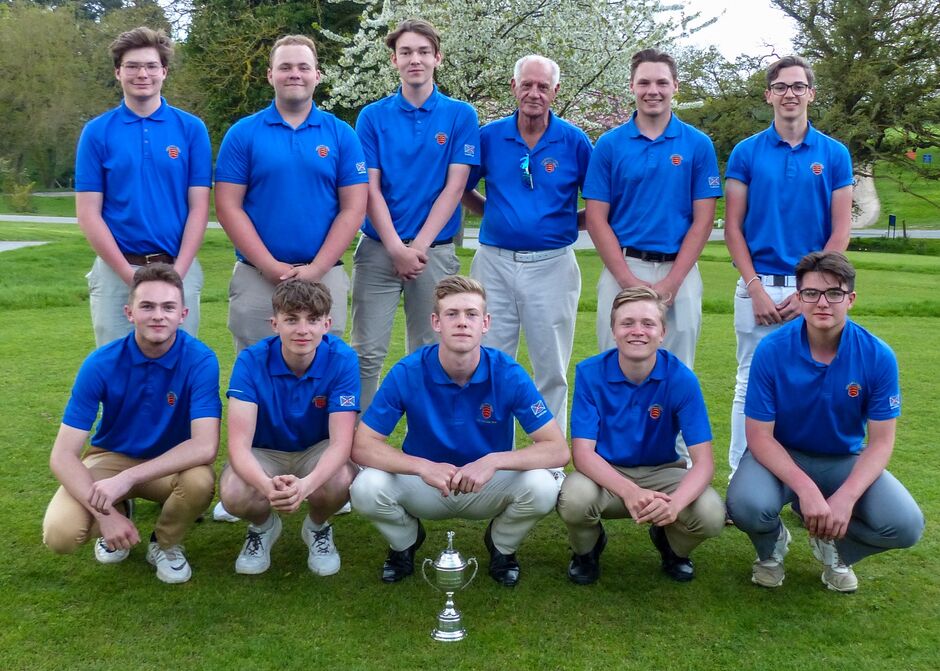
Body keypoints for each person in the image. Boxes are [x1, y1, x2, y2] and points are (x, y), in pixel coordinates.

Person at [350, 276, 568, 587]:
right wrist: (422, 467)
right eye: (452, 314)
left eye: (471, 314)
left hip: (486, 483)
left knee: (543, 486)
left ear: (485, 323)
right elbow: (363, 445)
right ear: (436, 322)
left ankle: (502, 546)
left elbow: (557, 449)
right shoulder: (408, 371)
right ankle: (405, 542)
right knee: (365, 487)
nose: (462, 322)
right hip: (426, 483)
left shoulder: (508, 373)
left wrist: (493, 461)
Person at [727, 252, 923, 593]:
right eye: (811, 293)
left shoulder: (878, 355)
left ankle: (836, 548)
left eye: (834, 293)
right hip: (782, 456)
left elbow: (881, 443)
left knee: (905, 525)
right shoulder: (772, 349)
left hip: (843, 459)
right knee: (746, 505)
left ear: (851, 299)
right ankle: (771, 549)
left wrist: (845, 498)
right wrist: (806, 491)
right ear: (799, 297)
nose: (822, 302)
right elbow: (759, 436)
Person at [42, 264, 220, 584]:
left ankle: (164, 543)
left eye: (168, 307)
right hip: (110, 458)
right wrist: (106, 516)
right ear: (129, 312)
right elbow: (62, 456)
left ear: (183, 314)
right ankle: (118, 511)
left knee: (199, 481)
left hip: (168, 464)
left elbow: (205, 446)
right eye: (147, 306)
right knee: (60, 535)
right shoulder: (100, 363)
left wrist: (127, 479)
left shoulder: (201, 360)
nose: (158, 316)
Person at [724, 56, 853, 476]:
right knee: (749, 384)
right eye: (781, 87)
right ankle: (741, 479)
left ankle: (809, 480)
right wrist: (755, 287)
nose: (790, 94)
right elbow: (733, 229)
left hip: (814, 292)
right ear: (769, 95)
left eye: (798, 86)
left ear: (811, 94)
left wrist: (811, 291)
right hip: (758, 286)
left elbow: (840, 231)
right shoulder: (746, 152)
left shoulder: (834, 154)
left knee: (817, 382)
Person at [352, 19, 480, 411]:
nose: (415, 60)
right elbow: (369, 188)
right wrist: (396, 248)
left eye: (424, 52)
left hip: (433, 253)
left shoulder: (460, 115)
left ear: (437, 58)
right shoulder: (372, 117)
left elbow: (455, 188)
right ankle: (359, 442)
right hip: (379, 250)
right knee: (366, 353)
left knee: (431, 353)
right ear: (394, 60)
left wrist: (417, 248)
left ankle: (426, 440)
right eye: (406, 52)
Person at [462, 54, 592, 437]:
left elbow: (600, 203)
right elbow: (460, 187)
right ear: (513, 87)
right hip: (494, 263)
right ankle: (490, 450)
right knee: (489, 360)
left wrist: (564, 224)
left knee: (551, 366)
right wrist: (493, 213)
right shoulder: (489, 137)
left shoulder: (574, 141)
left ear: (556, 91)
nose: (534, 93)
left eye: (543, 86)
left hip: (553, 265)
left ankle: (548, 458)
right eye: (527, 85)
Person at [557, 287, 724, 585]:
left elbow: (704, 463)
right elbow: (582, 454)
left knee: (711, 514)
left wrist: (674, 505)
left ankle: (671, 545)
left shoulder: (682, 378)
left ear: (663, 332)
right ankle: (587, 550)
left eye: (648, 323)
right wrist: (629, 491)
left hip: (663, 472)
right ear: (613, 330)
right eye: (627, 323)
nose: (638, 331)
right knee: (575, 498)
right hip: (606, 474)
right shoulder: (590, 373)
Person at [215, 34, 368, 353]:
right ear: (270, 75)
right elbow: (228, 207)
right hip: (257, 278)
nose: (294, 74)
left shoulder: (342, 134)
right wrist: (269, 265)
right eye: (285, 67)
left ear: (317, 75)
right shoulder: (243, 134)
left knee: (323, 370)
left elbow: (353, 208)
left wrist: (317, 269)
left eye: (303, 67)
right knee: (256, 370)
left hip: (325, 275)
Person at [583, 48, 721, 366]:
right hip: (623, 266)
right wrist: (627, 279)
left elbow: (703, 220)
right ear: (632, 86)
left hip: (680, 271)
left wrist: (673, 282)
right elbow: (596, 219)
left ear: (675, 86)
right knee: (615, 364)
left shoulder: (698, 144)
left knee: (678, 367)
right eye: (644, 83)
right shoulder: (609, 144)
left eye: (662, 82)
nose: (653, 91)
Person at [75, 27, 211, 346]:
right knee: (117, 364)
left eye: (151, 66)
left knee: (179, 363)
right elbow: (88, 213)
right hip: (116, 271)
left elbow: (199, 207)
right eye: (132, 66)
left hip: (178, 266)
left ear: (164, 71)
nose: (142, 74)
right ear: (118, 72)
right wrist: (129, 274)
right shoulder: (97, 132)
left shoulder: (191, 129)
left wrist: (178, 273)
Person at [219, 280, 360, 576]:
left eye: (313, 320)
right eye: (292, 319)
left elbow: (340, 444)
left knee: (341, 480)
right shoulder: (250, 361)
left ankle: (317, 526)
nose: (302, 330)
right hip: (265, 451)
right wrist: (266, 487)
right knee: (233, 494)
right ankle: (263, 527)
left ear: (327, 324)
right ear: (275, 324)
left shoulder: (343, 359)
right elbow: (238, 446)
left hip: (315, 449)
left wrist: (306, 486)